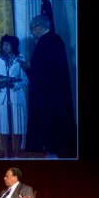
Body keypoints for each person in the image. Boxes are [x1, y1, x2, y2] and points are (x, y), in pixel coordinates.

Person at [22, 15, 77, 158]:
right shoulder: (52, 40)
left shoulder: (48, 41)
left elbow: (45, 70)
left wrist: (29, 66)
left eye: (32, 28)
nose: (31, 32)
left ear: (40, 27)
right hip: (52, 93)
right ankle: (52, 150)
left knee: (51, 124)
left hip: (50, 95)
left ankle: (52, 152)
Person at [0, 34, 29, 158]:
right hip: (2, 98)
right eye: (3, 44)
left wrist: (13, 84)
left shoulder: (20, 60)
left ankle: (17, 155)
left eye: (8, 44)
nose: (5, 46)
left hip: (16, 97)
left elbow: (25, 81)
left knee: (17, 127)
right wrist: (0, 85)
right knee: (4, 127)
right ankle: (7, 156)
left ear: (13, 46)